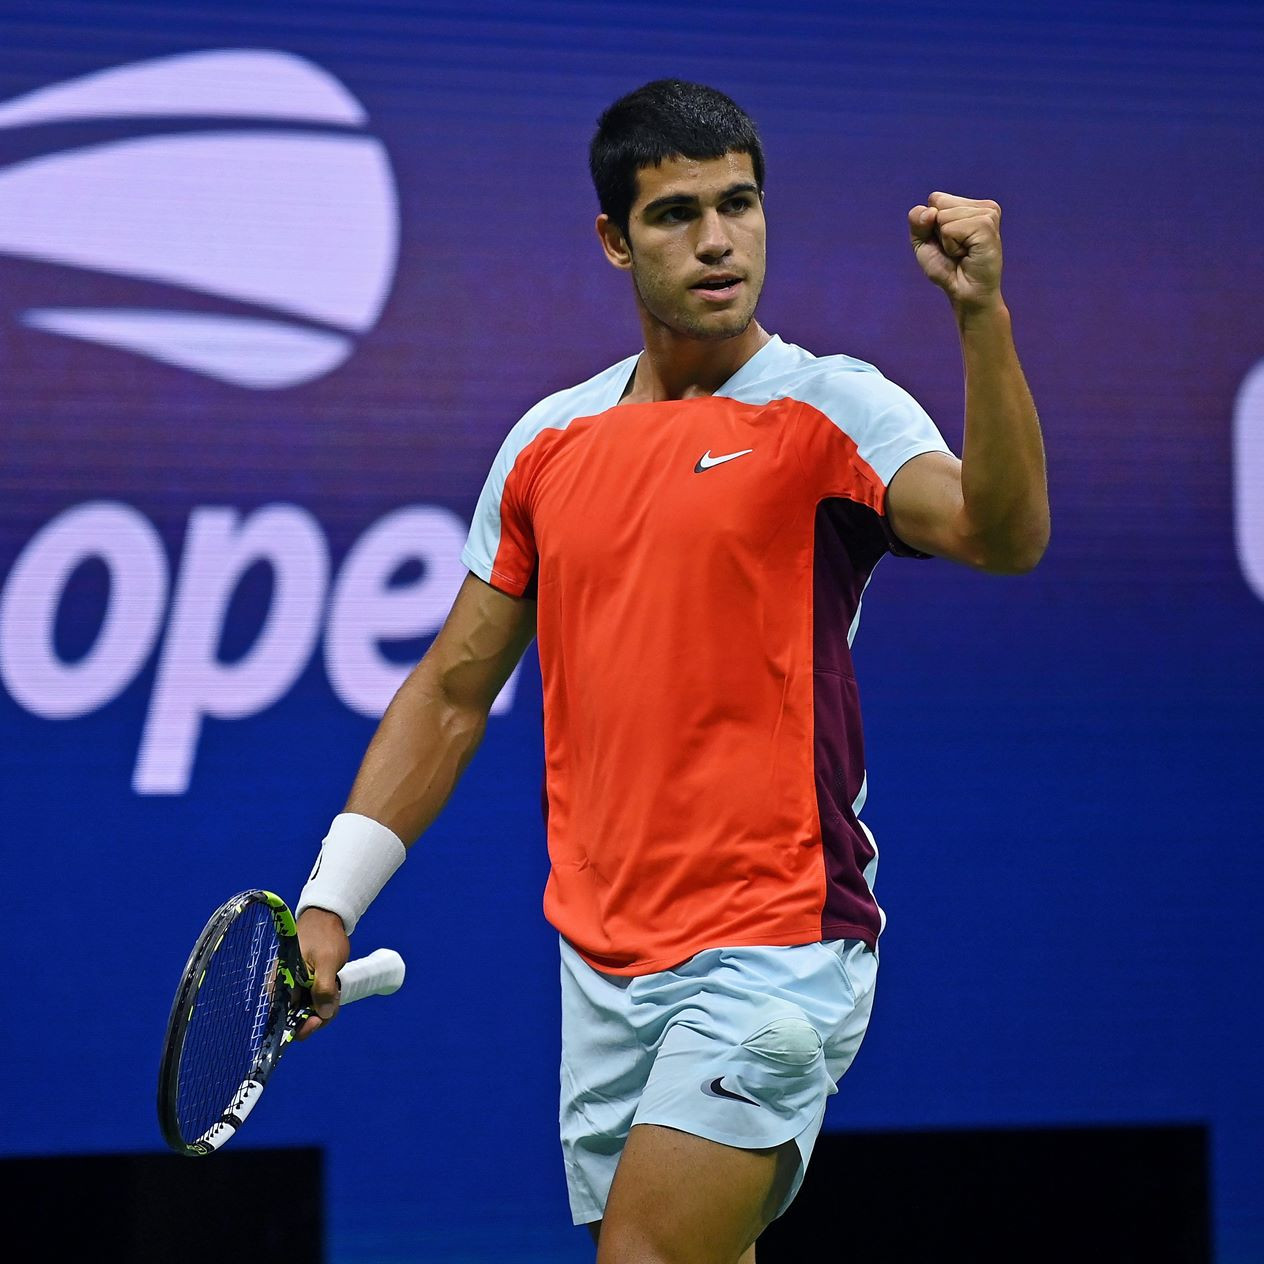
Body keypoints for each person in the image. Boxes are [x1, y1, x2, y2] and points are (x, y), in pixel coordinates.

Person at [293, 79, 1049, 1264]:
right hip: (600, 958)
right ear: (613, 238)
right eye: (675, 213)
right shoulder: (548, 443)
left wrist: (979, 319)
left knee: (644, 1253)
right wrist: (329, 900)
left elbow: (1001, 535)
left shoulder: (830, 408)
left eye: (738, 204)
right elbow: (449, 692)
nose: (716, 240)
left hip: (773, 940)